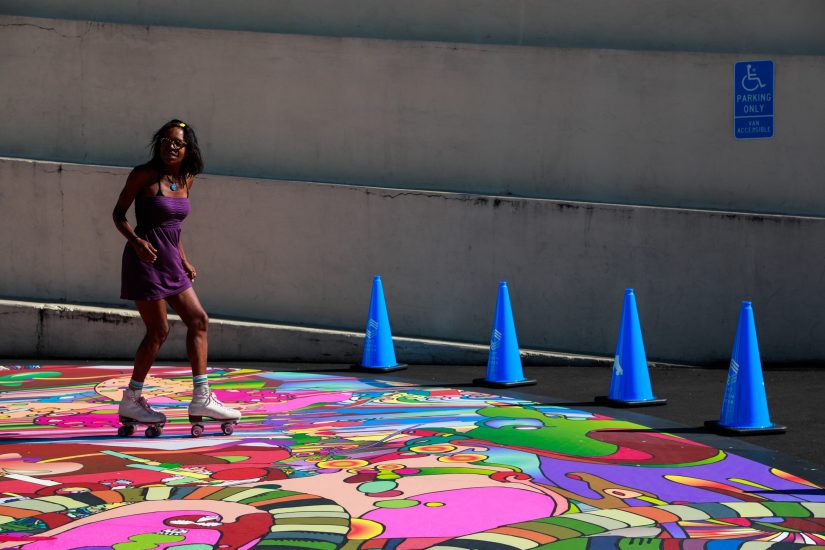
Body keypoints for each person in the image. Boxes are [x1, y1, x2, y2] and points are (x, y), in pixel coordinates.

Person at [112, 119, 240, 429]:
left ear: (187, 149)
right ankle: (131, 400)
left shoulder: (187, 179)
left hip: (171, 261)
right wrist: (137, 241)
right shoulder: (144, 175)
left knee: (199, 320)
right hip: (145, 261)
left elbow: (175, 228)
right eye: (167, 141)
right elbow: (119, 214)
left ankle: (202, 397)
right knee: (158, 331)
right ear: (159, 144)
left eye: (178, 143)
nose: (171, 146)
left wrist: (183, 259)